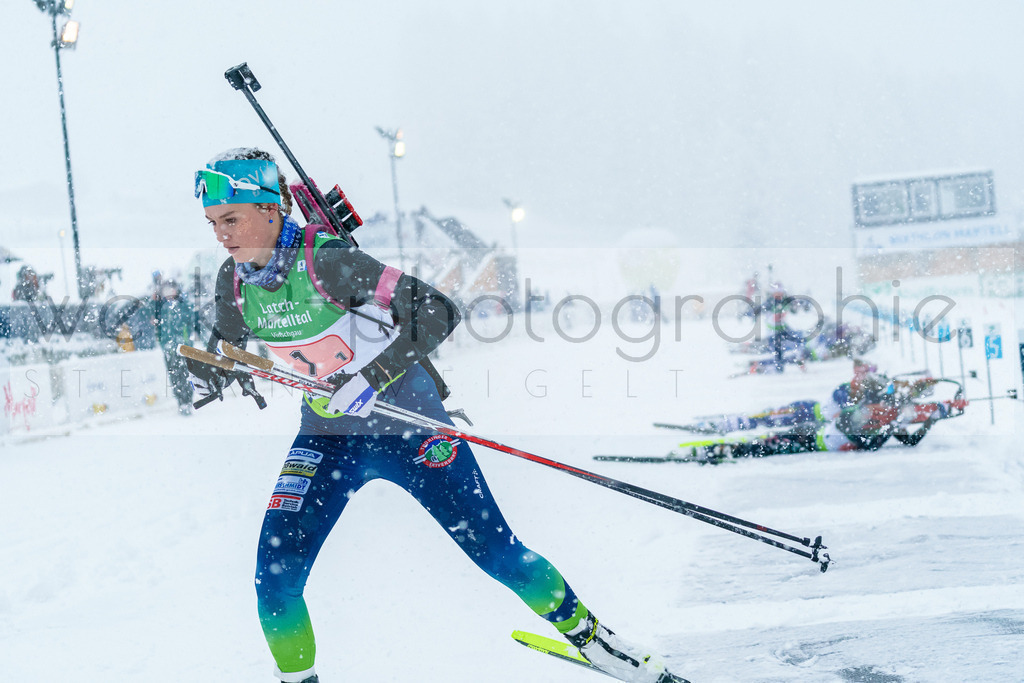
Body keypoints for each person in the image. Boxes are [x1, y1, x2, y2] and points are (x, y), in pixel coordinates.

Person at [186, 148, 682, 683]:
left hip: (409, 426)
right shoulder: (231, 280)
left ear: (270, 209)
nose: (222, 234)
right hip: (328, 437)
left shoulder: (326, 261)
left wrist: (370, 379)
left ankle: (599, 644)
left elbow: (439, 310)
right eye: (213, 223)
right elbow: (226, 342)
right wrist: (211, 372)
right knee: (274, 578)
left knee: (499, 554)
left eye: (231, 219)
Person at [682, 361, 956, 462]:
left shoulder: (882, 415)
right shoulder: (878, 412)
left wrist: (938, 412)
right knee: (770, 429)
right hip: (817, 427)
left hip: (818, 435)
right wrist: (939, 412)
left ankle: (721, 447)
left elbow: (913, 421)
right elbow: (914, 418)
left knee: (771, 439)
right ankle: (726, 434)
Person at [150, 279, 195, 415]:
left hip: (184, 348)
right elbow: (150, 314)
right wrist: (154, 300)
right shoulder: (161, 306)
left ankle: (188, 401)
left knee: (186, 375)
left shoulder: (183, 305)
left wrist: (186, 340)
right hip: (168, 348)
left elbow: (191, 321)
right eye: (166, 290)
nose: (169, 293)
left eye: (172, 289)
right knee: (174, 377)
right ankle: (180, 402)